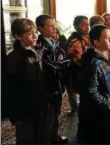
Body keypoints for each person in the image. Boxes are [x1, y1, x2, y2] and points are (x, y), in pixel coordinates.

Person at [7, 18, 52, 144]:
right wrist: (15, 115)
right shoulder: (13, 59)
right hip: (25, 110)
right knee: (27, 138)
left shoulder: (36, 52)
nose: (35, 36)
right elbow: (10, 89)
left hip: (40, 105)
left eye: (35, 32)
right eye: (30, 33)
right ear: (18, 36)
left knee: (43, 136)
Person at [77, 25, 110, 144]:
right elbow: (91, 92)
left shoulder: (104, 57)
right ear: (96, 42)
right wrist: (109, 105)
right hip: (97, 114)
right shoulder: (93, 62)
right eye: (107, 38)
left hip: (105, 110)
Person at [35, 14, 68, 144]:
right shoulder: (39, 45)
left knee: (57, 112)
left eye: (54, 26)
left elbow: (63, 60)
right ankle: (47, 139)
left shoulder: (55, 43)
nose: (54, 28)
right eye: (50, 26)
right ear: (41, 28)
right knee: (48, 115)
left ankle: (55, 136)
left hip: (57, 83)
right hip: (48, 85)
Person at [66, 15, 89, 116]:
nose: (86, 27)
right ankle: (73, 107)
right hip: (75, 68)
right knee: (73, 90)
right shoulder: (74, 40)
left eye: (87, 25)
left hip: (86, 67)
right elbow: (76, 58)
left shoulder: (88, 37)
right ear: (76, 26)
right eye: (83, 25)